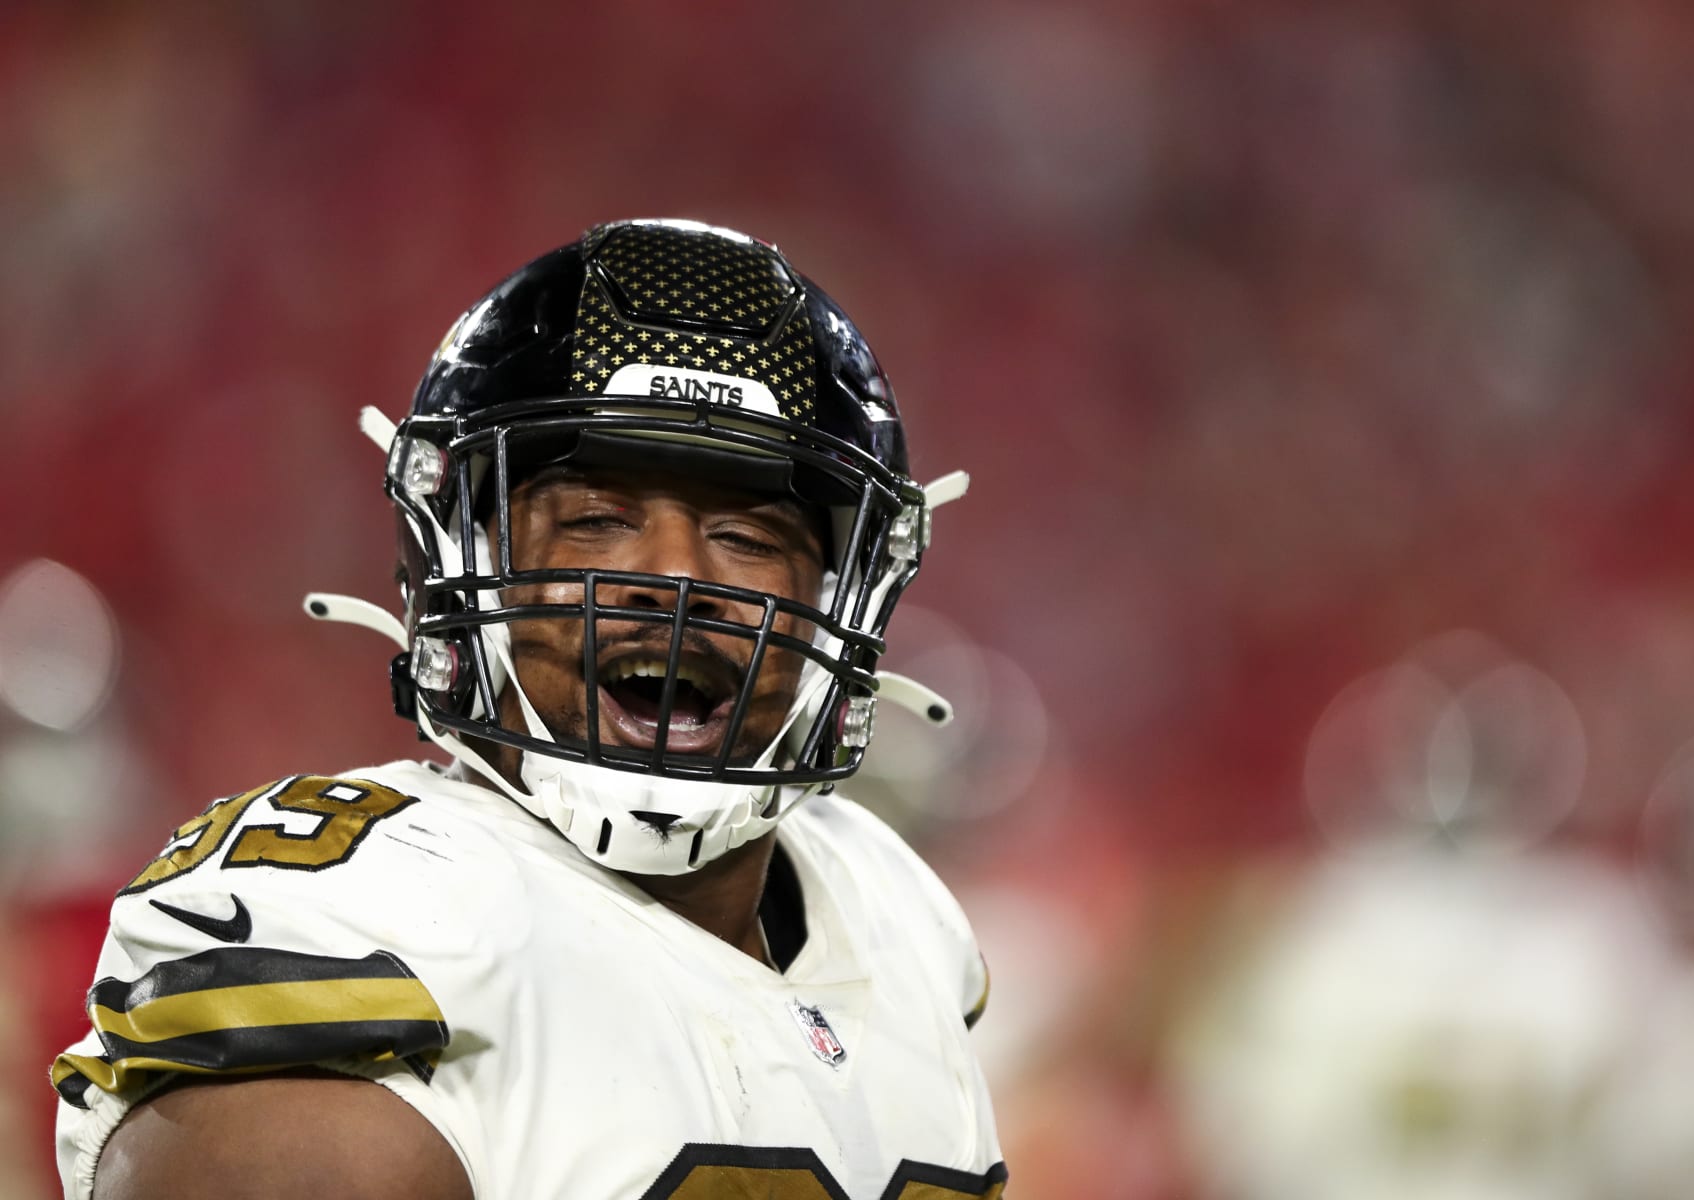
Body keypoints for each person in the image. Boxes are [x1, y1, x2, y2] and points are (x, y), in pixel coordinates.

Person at [50, 218, 1005, 1199]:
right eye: (596, 519)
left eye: (748, 536)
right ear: (455, 561)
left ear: (845, 595)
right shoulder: (375, 919)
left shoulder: (898, 920)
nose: (677, 577)